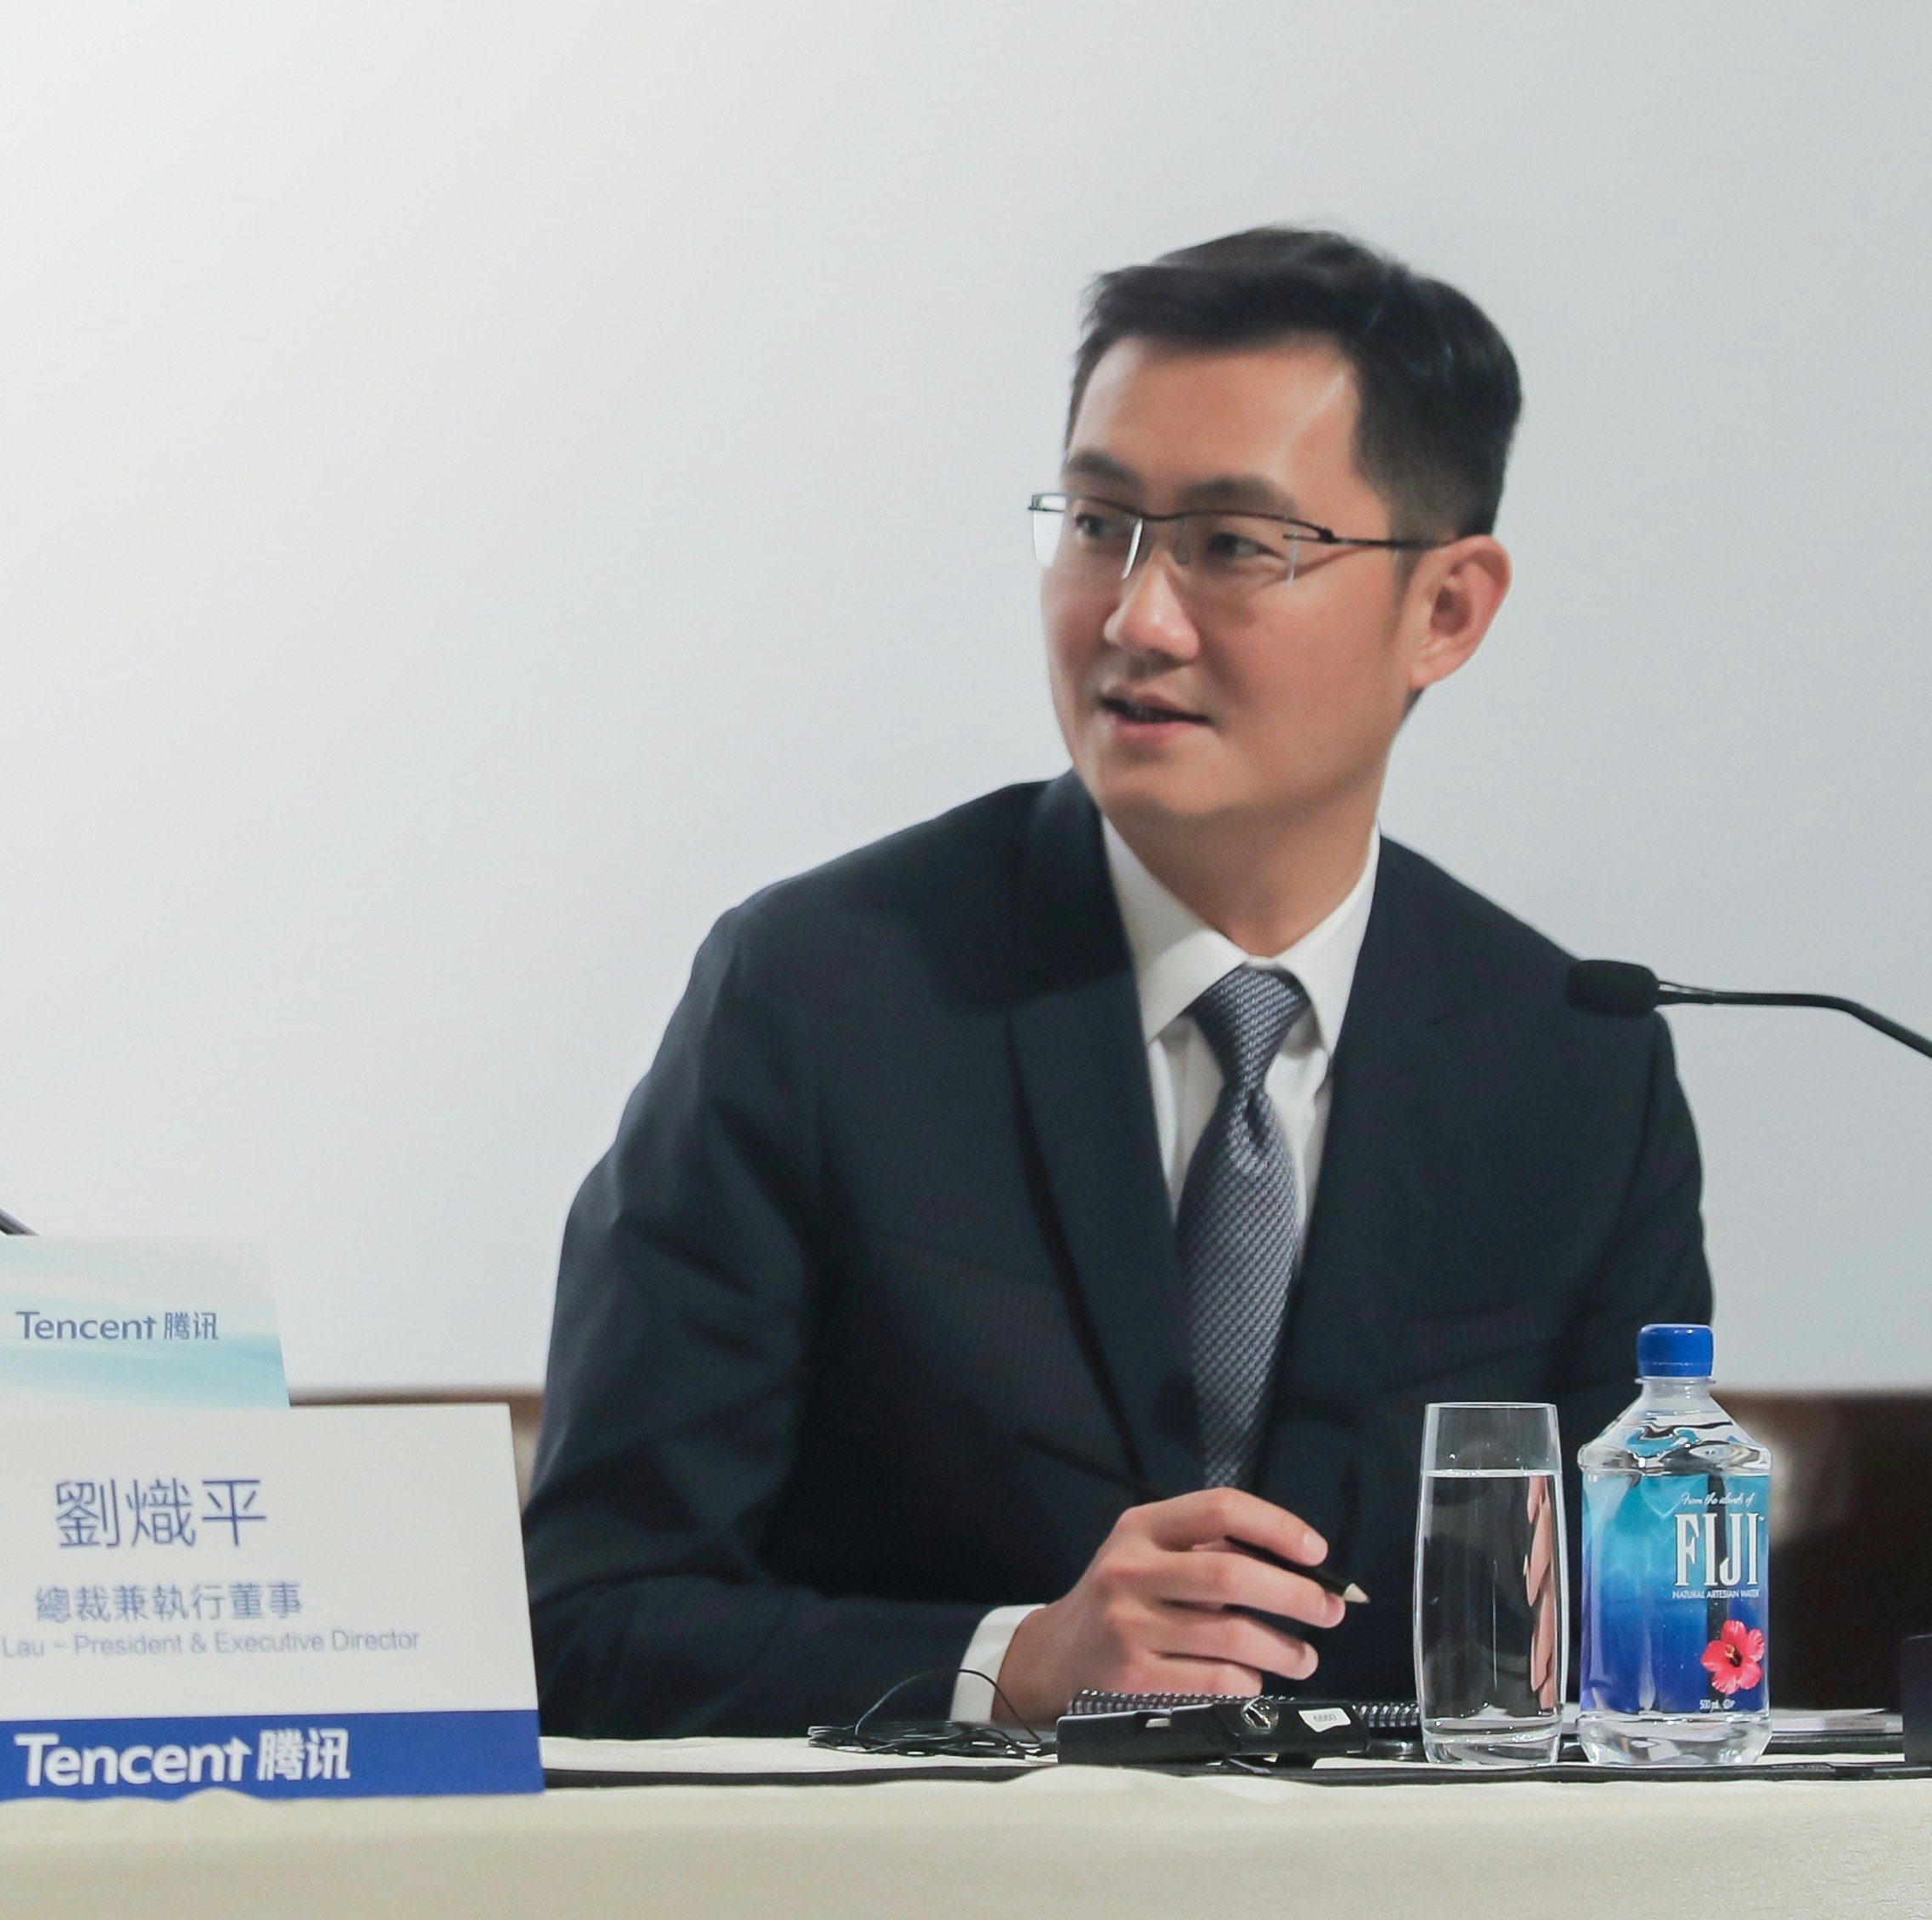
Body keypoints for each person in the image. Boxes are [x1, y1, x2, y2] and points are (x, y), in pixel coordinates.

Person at [522, 229, 1710, 1734]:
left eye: (1232, 545)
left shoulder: (1572, 1067)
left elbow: (1634, 1667)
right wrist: (1007, 1664)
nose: (1137, 617)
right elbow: (592, 1620)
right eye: (1098, 524)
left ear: (1448, 610)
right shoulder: (822, 999)